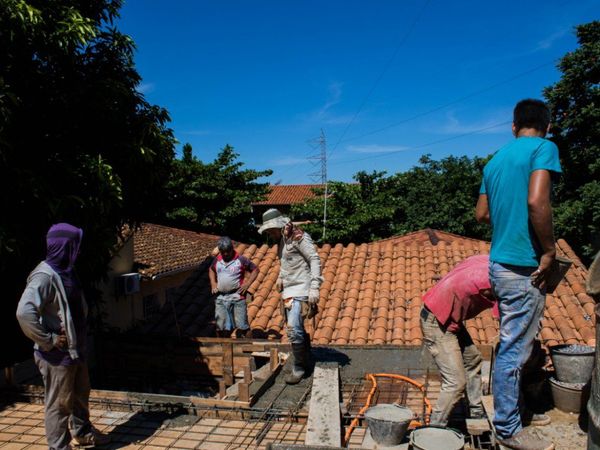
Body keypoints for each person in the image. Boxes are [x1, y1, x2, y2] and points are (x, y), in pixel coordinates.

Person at [476, 99, 561, 450]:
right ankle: (509, 429)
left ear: (513, 127)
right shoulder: (545, 148)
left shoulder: (495, 161)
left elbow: (481, 214)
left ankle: (514, 412)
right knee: (513, 351)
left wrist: (506, 219)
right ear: (548, 126)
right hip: (523, 267)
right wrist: (550, 250)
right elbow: (537, 202)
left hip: (498, 264)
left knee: (511, 345)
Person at [16, 223, 109, 450]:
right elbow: (24, 313)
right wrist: (48, 340)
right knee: (59, 404)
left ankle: (83, 433)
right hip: (56, 355)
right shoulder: (44, 276)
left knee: (79, 396)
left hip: (76, 349)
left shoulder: (67, 270)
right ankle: (58, 446)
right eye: (74, 245)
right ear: (64, 246)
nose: (78, 250)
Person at [421, 254, 495, 426]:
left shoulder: (489, 260)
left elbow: (464, 264)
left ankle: (475, 411)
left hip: (449, 317)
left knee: (472, 359)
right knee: (455, 382)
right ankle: (435, 428)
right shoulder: (499, 281)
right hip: (436, 320)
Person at [258, 208, 322, 384]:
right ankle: (306, 356)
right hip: (289, 290)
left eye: (271, 231)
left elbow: (314, 260)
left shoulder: (299, 237)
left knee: (293, 329)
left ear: (279, 226)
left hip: (302, 288)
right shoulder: (282, 240)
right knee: (295, 328)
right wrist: (280, 276)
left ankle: (299, 366)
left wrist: (315, 287)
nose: (270, 234)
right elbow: (286, 262)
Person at [209, 236, 258, 338]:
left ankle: (250, 347)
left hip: (237, 296)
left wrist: (247, 283)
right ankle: (222, 350)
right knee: (220, 327)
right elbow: (211, 270)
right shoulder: (217, 260)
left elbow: (255, 270)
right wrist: (213, 283)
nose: (226, 254)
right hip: (221, 297)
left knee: (242, 326)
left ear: (232, 249)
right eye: (223, 252)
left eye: (228, 251)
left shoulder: (241, 260)